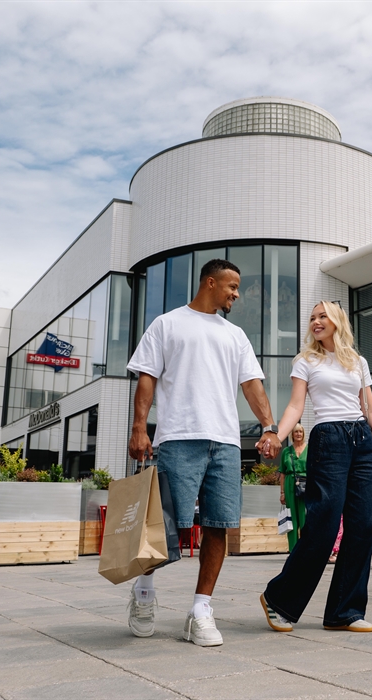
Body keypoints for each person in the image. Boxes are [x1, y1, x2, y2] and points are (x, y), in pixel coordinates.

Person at [125, 258, 282, 647]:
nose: (236, 294)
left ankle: (200, 609)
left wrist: (269, 426)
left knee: (219, 524)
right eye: (231, 287)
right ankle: (144, 591)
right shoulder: (167, 324)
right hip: (179, 437)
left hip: (225, 441)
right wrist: (139, 428)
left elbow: (252, 385)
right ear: (210, 282)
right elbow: (147, 378)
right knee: (166, 525)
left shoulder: (236, 335)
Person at [260, 301, 372, 634]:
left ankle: (345, 610)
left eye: (322, 316)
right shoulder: (306, 361)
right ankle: (279, 598)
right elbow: (296, 405)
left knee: (365, 526)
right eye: (312, 317)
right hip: (328, 439)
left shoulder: (358, 362)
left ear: (337, 321)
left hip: (360, 442)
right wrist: (275, 435)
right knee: (324, 526)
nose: (315, 321)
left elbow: (370, 410)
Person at [278, 423, 308, 551]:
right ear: (292, 434)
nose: (298, 434)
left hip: (306, 484)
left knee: (305, 517)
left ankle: (306, 548)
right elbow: (283, 473)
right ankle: (293, 550)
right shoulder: (286, 451)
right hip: (290, 483)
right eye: (296, 432)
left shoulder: (309, 449)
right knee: (292, 518)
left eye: (300, 431)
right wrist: (282, 492)